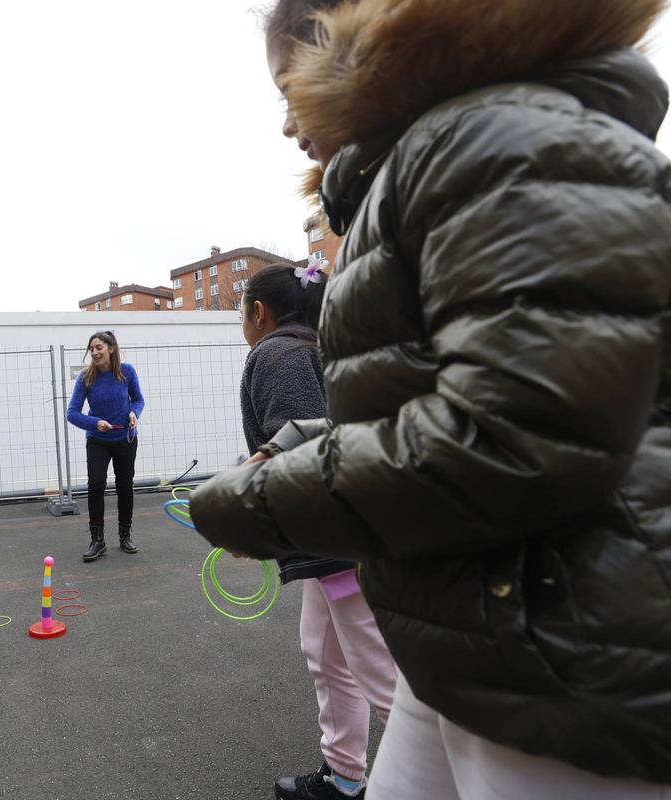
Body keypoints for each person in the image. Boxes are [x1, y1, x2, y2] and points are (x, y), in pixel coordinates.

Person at [190, 0, 671, 797]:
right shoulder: (435, 160)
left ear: (360, 39)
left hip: (568, 653)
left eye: (286, 88)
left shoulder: (501, 141)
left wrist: (257, 503)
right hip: (477, 624)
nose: (285, 127)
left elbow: (516, 438)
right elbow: (431, 390)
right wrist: (301, 441)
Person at [238, 264, 395, 800]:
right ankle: (345, 776)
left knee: (383, 675)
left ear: (259, 312)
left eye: (243, 310)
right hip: (335, 541)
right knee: (326, 652)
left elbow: (306, 452)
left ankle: (442, 780)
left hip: (341, 540)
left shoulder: (279, 354)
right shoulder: (323, 347)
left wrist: (250, 519)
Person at [66, 330, 144, 561]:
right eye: (91, 349)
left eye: (99, 347)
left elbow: (138, 399)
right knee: (96, 483)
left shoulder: (126, 372)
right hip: (98, 440)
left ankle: (125, 535)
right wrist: (95, 423)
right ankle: (97, 540)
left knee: (124, 485)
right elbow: (71, 413)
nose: (95, 352)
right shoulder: (86, 378)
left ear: (111, 348)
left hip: (125, 439)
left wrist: (134, 412)